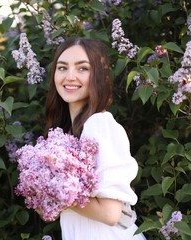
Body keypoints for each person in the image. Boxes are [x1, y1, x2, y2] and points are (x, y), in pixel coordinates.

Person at [44, 37, 147, 240]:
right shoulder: (67, 133)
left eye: (82, 68)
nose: (70, 76)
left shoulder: (99, 124)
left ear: (98, 76)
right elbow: (55, 212)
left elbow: (110, 213)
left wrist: (57, 189)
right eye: (62, 67)